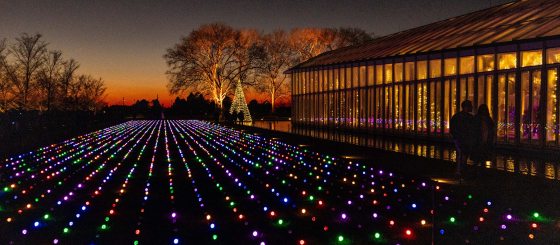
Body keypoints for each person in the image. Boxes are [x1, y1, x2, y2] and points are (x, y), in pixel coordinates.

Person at [450, 100, 475, 179]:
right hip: (464, 139)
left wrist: (455, 137)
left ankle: (459, 171)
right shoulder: (470, 118)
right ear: (467, 107)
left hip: (460, 138)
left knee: (461, 154)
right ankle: (461, 171)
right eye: (470, 106)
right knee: (463, 154)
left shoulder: (457, 116)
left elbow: (453, 128)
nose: (472, 107)